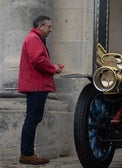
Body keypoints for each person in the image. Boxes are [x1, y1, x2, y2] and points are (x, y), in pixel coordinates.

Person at [18, 15, 64, 165]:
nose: (50, 30)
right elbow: (38, 60)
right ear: (40, 26)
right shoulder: (33, 38)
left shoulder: (34, 38)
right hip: (36, 85)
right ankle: (27, 154)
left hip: (36, 85)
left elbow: (38, 59)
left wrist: (52, 67)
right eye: (48, 26)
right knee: (32, 118)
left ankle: (27, 153)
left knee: (32, 118)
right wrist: (53, 68)